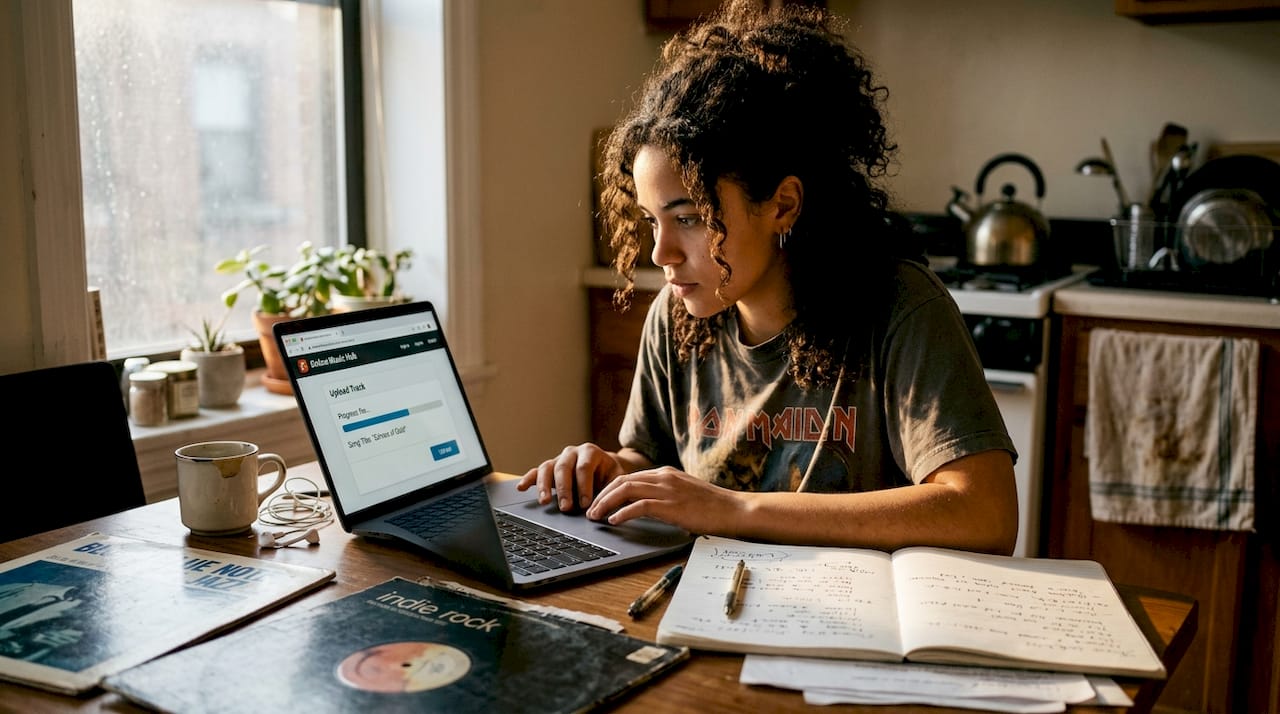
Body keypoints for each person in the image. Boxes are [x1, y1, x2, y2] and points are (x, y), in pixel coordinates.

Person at [517, 0, 1018, 555]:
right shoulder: (678, 315)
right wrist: (606, 470)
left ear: (783, 205)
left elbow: (985, 513)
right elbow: (651, 461)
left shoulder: (899, 306)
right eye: (650, 220)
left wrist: (735, 509)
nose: (661, 254)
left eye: (689, 219)